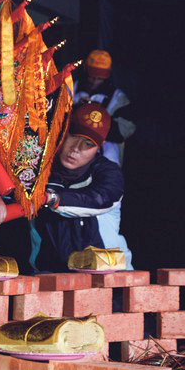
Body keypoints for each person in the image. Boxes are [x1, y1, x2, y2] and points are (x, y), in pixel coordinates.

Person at [30, 102, 125, 273]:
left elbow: (98, 198)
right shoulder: (39, 168)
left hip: (110, 275)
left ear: (99, 148)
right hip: (49, 274)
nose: (76, 149)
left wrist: (52, 198)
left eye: (88, 144)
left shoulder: (108, 172)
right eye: (73, 136)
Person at [74, 49, 135, 268]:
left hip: (104, 170)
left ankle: (122, 278)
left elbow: (125, 130)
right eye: (92, 74)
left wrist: (94, 116)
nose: (95, 79)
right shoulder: (72, 89)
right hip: (74, 169)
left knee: (106, 226)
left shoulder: (118, 97)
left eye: (101, 75)